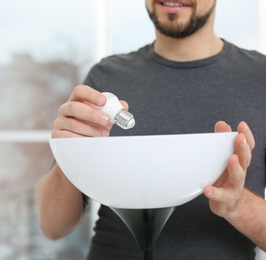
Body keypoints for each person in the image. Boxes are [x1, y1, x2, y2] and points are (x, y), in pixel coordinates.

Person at [35, 0, 266, 259]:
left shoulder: (261, 78)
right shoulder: (106, 78)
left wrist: (238, 205)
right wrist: (71, 150)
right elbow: (51, 225)